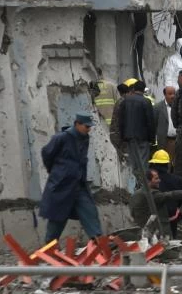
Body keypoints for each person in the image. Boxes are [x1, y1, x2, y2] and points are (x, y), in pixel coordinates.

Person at [39, 113, 103, 243]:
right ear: (77, 124)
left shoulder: (85, 138)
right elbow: (47, 153)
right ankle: (49, 246)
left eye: (90, 126)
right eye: (86, 126)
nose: (88, 129)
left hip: (78, 184)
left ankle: (99, 241)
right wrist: (57, 171)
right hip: (62, 185)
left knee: (89, 210)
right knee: (57, 218)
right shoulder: (61, 138)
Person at [129, 168, 182, 238]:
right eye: (156, 178)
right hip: (152, 234)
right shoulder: (151, 194)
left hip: (143, 232)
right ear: (148, 181)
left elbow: (134, 213)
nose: (159, 180)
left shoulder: (136, 194)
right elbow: (169, 195)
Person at [117, 80, 156, 167]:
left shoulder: (125, 101)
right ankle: (142, 180)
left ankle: (133, 180)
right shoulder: (146, 102)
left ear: (134, 89)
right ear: (143, 90)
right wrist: (152, 139)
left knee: (132, 162)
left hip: (129, 137)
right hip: (143, 138)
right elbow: (150, 121)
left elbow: (121, 121)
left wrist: (122, 137)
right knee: (143, 163)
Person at [154, 86, 177, 156]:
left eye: (174, 94)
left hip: (177, 140)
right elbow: (154, 123)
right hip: (164, 141)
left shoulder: (179, 106)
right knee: (165, 163)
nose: (173, 96)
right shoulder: (158, 107)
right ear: (165, 95)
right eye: (170, 94)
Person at [109, 81, 130, 150]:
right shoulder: (125, 102)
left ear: (120, 92)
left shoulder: (119, 102)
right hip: (120, 134)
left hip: (116, 133)